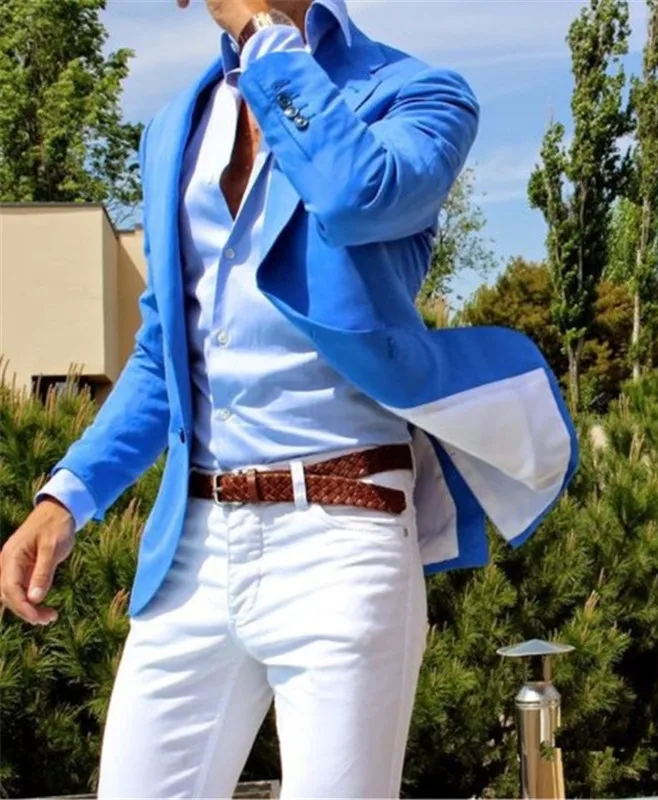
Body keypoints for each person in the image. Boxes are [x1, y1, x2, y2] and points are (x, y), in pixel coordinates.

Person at [0, 0, 579, 796]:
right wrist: (66, 497)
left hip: (342, 534)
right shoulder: (173, 128)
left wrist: (261, 36)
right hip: (194, 547)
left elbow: (358, 194)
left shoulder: (416, 93)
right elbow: (167, 353)